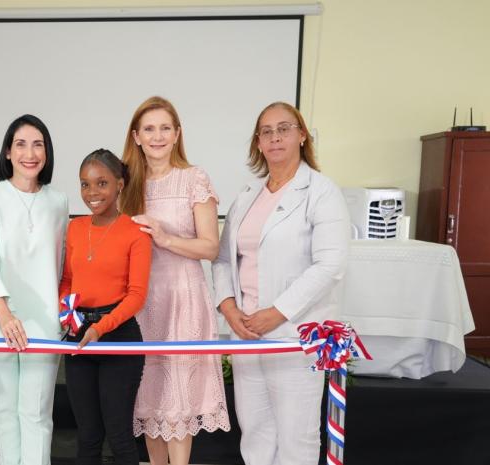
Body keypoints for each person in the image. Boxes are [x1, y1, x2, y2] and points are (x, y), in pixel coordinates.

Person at [212, 102, 350, 465]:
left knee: (296, 436)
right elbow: (224, 260)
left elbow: (330, 265)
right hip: (246, 332)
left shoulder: (322, 192)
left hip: (295, 335)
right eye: (266, 131)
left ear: (302, 135)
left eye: (284, 129)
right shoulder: (247, 195)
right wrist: (228, 307)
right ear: (258, 143)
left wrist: (277, 312)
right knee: (255, 431)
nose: (275, 137)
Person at [119, 96, 231, 465]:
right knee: (150, 398)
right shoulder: (127, 184)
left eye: (165, 128)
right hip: (142, 300)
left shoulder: (193, 178)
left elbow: (211, 247)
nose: (158, 136)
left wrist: (166, 239)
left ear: (177, 133)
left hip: (184, 297)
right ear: (136, 136)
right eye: (149, 129)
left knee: (178, 401)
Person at [0, 114, 69, 465]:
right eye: (21, 144)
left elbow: (62, 264)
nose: (30, 153)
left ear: (47, 152)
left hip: (43, 324)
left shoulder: (59, 201)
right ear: (8, 151)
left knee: (37, 414)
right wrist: (5, 316)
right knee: (4, 413)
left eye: (38, 144)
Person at [59, 149, 152, 465]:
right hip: (79, 338)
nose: (92, 193)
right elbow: (68, 281)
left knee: (119, 435)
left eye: (101, 183)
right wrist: (67, 315)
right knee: (87, 436)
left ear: (120, 184)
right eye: (85, 185)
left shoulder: (135, 232)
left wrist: (101, 327)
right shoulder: (74, 228)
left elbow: (136, 295)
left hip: (119, 338)